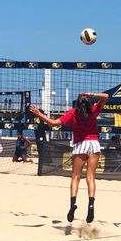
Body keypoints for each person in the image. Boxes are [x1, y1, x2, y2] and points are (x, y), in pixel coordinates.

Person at [29, 92, 109, 223]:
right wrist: (91, 94)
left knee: (76, 177)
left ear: (77, 103)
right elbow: (106, 97)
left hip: (80, 145)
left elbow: (53, 123)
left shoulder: (73, 113)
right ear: (89, 103)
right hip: (94, 144)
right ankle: (91, 204)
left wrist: (38, 113)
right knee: (90, 177)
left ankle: (73, 204)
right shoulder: (93, 110)